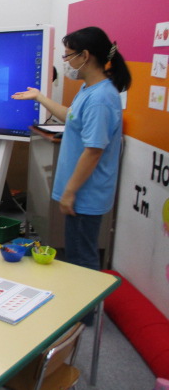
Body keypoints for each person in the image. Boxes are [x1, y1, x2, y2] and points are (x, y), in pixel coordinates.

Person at [12, 26, 131, 273]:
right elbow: (70, 116)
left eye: (67, 56)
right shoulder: (89, 89)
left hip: (86, 195)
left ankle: (88, 299)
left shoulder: (101, 98)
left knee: (82, 260)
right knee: (75, 254)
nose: (65, 62)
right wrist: (39, 97)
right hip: (80, 193)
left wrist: (70, 192)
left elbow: (94, 151)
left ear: (85, 56)